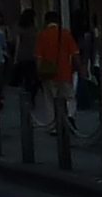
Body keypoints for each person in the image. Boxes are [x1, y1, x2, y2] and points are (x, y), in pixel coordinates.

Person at [33, 14, 78, 167]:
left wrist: (39, 72)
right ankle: (70, 117)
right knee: (70, 97)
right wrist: (80, 68)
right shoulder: (65, 33)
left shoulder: (42, 35)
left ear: (46, 21)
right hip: (65, 72)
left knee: (50, 99)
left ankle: (53, 126)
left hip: (48, 72)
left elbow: (38, 57)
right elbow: (74, 54)